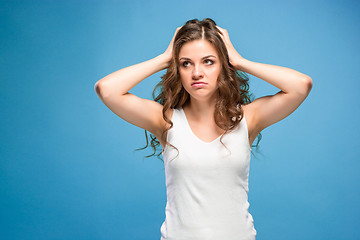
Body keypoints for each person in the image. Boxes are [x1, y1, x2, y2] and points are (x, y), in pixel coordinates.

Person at [95, 18, 312, 240]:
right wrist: (164, 58)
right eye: (186, 63)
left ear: (223, 65)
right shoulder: (165, 121)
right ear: (177, 69)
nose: (197, 72)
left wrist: (239, 60)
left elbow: (301, 85)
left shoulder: (248, 119)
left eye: (208, 61)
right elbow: (107, 89)